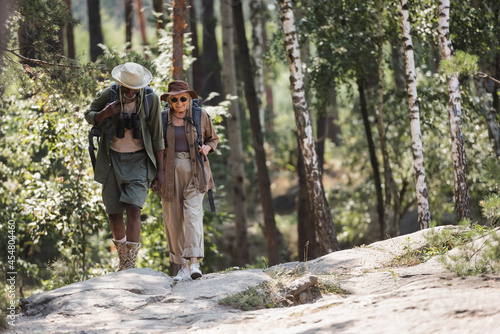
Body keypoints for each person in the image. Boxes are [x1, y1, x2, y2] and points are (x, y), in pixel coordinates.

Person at [85, 62, 164, 271]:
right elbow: (89, 115)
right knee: (113, 212)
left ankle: (130, 262)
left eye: (136, 86)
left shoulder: (150, 99)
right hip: (112, 160)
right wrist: (105, 113)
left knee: (134, 209)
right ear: (121, 83)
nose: (132, 91)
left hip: (139, 160)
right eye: (129, 86)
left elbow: (158, 136)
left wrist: (160, 172)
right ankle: (122, 258)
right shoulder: (110, 95)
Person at [160, 80, 219, 281]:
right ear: (169, 100)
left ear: (189, 97)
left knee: (193, 215)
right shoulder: (161, 119)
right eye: (174, 99)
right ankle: (182, 267)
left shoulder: (199, 115)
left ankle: (194, 264)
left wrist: (207, 148)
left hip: (197, 171)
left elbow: (213, 139)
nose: (179, 103)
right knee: (174, 218)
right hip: (170, 173)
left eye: (183, 98)